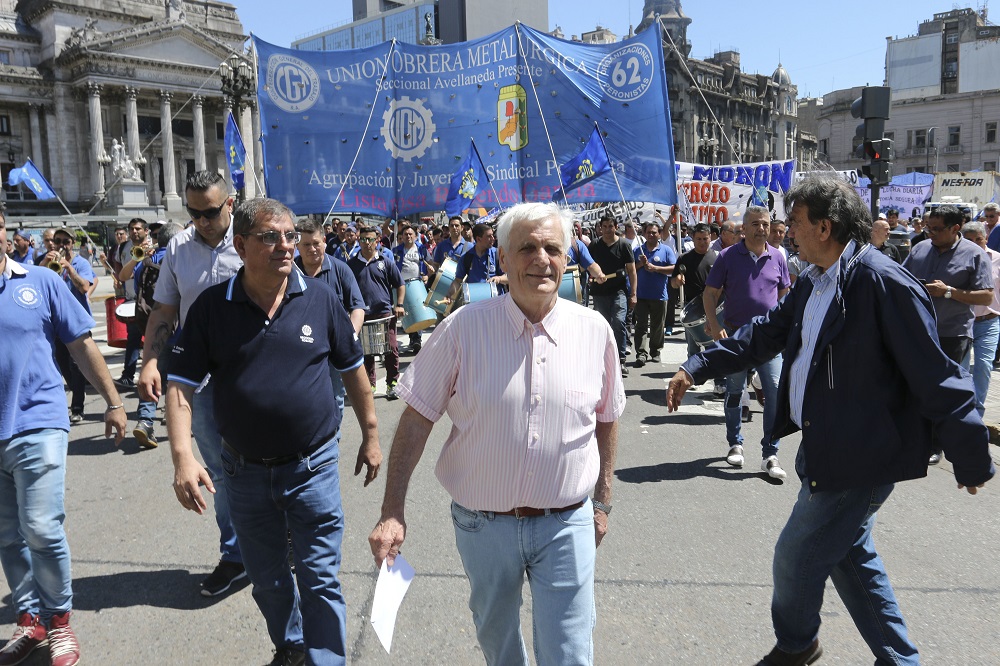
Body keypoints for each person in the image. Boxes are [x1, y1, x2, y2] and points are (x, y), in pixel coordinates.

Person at [666, 176, 995, 666]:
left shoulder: (881, 281)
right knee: (850, 556)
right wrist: (697, 365)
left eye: (794, 222)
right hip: (827, 444)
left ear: (824, 226)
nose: (785, 231)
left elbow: (937, 375)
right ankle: (900, 660)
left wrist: (970, 457)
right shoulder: (814, 280)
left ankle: (797, 646)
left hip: (860, 454)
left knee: (795, 558)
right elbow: (764, 333)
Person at [369, 202, 625, 666]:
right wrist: (392, 511)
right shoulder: (462, 330)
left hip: (567, 523)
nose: (541, 259)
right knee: (499, 643)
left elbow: (607, 417)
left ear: (568, 257)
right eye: (526, 248)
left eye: (552, 248)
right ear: (503, 259)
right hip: (482, 526)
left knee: (570, 652)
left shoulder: (595, 331)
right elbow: (416, 418)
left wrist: (602, 501)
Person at [165, 198, 382, 666]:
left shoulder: (321, 298)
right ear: (241, 245)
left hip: (313, 466)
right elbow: (179, 384)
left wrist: (370, 433)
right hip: (243, 473)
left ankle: (326, 659)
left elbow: (354, 370)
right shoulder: (211, 308)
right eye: (271, 237)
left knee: (319, 576)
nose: (286, 246)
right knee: (267, 578)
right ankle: (291, 647)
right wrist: (182, 454)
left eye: (289, 236)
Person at [0, 211, 126, 666]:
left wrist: (113, 402)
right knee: (7, 537)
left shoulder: (40, 281)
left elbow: (81, 342)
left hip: (38, 419)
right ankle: (30, 619)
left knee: (39, 527)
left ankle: (58, 622)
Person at [137, 170, 246, 597]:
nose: (201, 221)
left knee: (269, 459)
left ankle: (278, 542)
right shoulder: (178, 248)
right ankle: (236, 555)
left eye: (211, 212)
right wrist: (149, 361)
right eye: (193, 213)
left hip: (254, 370)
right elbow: (165, 312)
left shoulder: (252, 238)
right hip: (200, 377)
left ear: (231, 204)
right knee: (218, 469)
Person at [702, 207, 790, 480]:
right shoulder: (727, 257)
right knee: (735, 390)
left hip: (769, 340)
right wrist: (715, 326)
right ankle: (735, 443)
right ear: (744, 228)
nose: (761, 229)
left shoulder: (778, 257)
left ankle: (770, 453)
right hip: (735, 337)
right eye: (755, 224)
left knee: (775, 391)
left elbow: (785, 293)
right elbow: (710, 292)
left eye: (765, 224)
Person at [903, 205, 993, 463]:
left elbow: (987, 295)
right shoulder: (920, 248)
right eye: (929, 227)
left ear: (956, 228)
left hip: (952, 334)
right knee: (913, 386)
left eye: (937, 229)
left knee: (941, 390)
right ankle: (913, 437)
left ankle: (934, 444)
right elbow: (901, 278)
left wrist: (949, 292)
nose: (930, 233)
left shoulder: (974, 255)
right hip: (917, 330)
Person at [295, 219, 366, 418]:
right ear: (297, 245)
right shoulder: (288, 273)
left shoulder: (341, 269)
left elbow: (357, 307)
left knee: (335, 399)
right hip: (299, 349)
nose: (312, 249)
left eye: (316, 243)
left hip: (333, 350)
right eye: (306, 245)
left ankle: (331, 441)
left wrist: (348, 338)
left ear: (325, 241)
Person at [348, 226, 405, 399]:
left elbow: (400, 284)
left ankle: (392, 383)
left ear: (377, 241)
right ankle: (369, 386)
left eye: (370, 239)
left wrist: (399, 304)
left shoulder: (386, 261)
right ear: (359, 241)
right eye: (364, 239)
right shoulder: (351, 264)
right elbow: (345, 289)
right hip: (361, 315)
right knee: (366, 352)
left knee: (391, 349)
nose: (367, 243)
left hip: (385, 313)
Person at [49, 228, 96, 424]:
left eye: (65, 241)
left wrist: (69, 268)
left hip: (76, 323)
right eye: (58, 241)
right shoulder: (48, 261)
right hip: (55, 324)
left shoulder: (80, 263)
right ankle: (76, 391)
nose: (61, 245)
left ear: (72, 243)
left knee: (76, 366)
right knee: (62, 366)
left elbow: (85, 287)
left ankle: (77, 406)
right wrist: (45, 264)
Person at [961, 221, 1000, 420]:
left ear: (986, 238)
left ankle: (978, 415)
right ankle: (964, 412)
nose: (976, 243)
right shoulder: (958, 259)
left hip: (989, 321)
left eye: (979, 239)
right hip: (963, 321)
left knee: (984, 367)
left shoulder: (997, 259)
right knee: (962, 369)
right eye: (970, 240)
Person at [589, 215, 637, 377]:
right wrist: (592, 276)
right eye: (605, 226)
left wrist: (633, 294)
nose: (608, 229)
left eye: (611, 226)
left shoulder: (624, 245)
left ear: (616, 227)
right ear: (600, 228)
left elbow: (632, 271)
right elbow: (587, 266)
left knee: (618, 322)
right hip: (599, 293)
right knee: (602, 326)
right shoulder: (595, 245)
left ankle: (620, 359)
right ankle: (602, 359)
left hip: (619, 292)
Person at [114, 218, 152, 389]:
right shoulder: (123, 247)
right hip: (132, 300)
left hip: (151, 301)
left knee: (154, 341)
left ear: (146, 231)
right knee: (133, 339)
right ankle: (128, 375)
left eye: (138, 229)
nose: (134, 232)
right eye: (131, 229)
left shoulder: (153, 247)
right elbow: (120, 268)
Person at [632, 220, 676, 366]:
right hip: (641, 294)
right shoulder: (638, 251)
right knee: (641, 325)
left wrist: (656, 268)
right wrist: (640, 264)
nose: (651, 235)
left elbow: (673, 268)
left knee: (658, 326)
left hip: (659, 295)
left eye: (654, 232)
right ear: (644, 234)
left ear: (659, 234)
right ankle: (641, 353)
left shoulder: (666, 250)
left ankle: (655, 351)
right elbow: (629, 270)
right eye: (648, 232)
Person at [391, 223, 434, 353]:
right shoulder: (396, 250)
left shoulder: (421, 249)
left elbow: (430, 263)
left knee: (418, 309)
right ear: (401, 237)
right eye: (405, 234)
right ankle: (412, 336)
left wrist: (427, 274)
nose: (408, 236)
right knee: (408, 311)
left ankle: (416, 339)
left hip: (417, 283)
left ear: (416, 236)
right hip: (402, 285)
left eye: (411, 234)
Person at [445, 222, 507, 303]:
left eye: (493, 235)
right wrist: (449, 294)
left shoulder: (497, 254)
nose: (493, 238)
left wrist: (499, 278)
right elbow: (457, 281)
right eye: (489, 236)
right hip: (474, 304)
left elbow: (510, 277)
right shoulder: (466, 258)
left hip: (496, 302)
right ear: (478, 239)